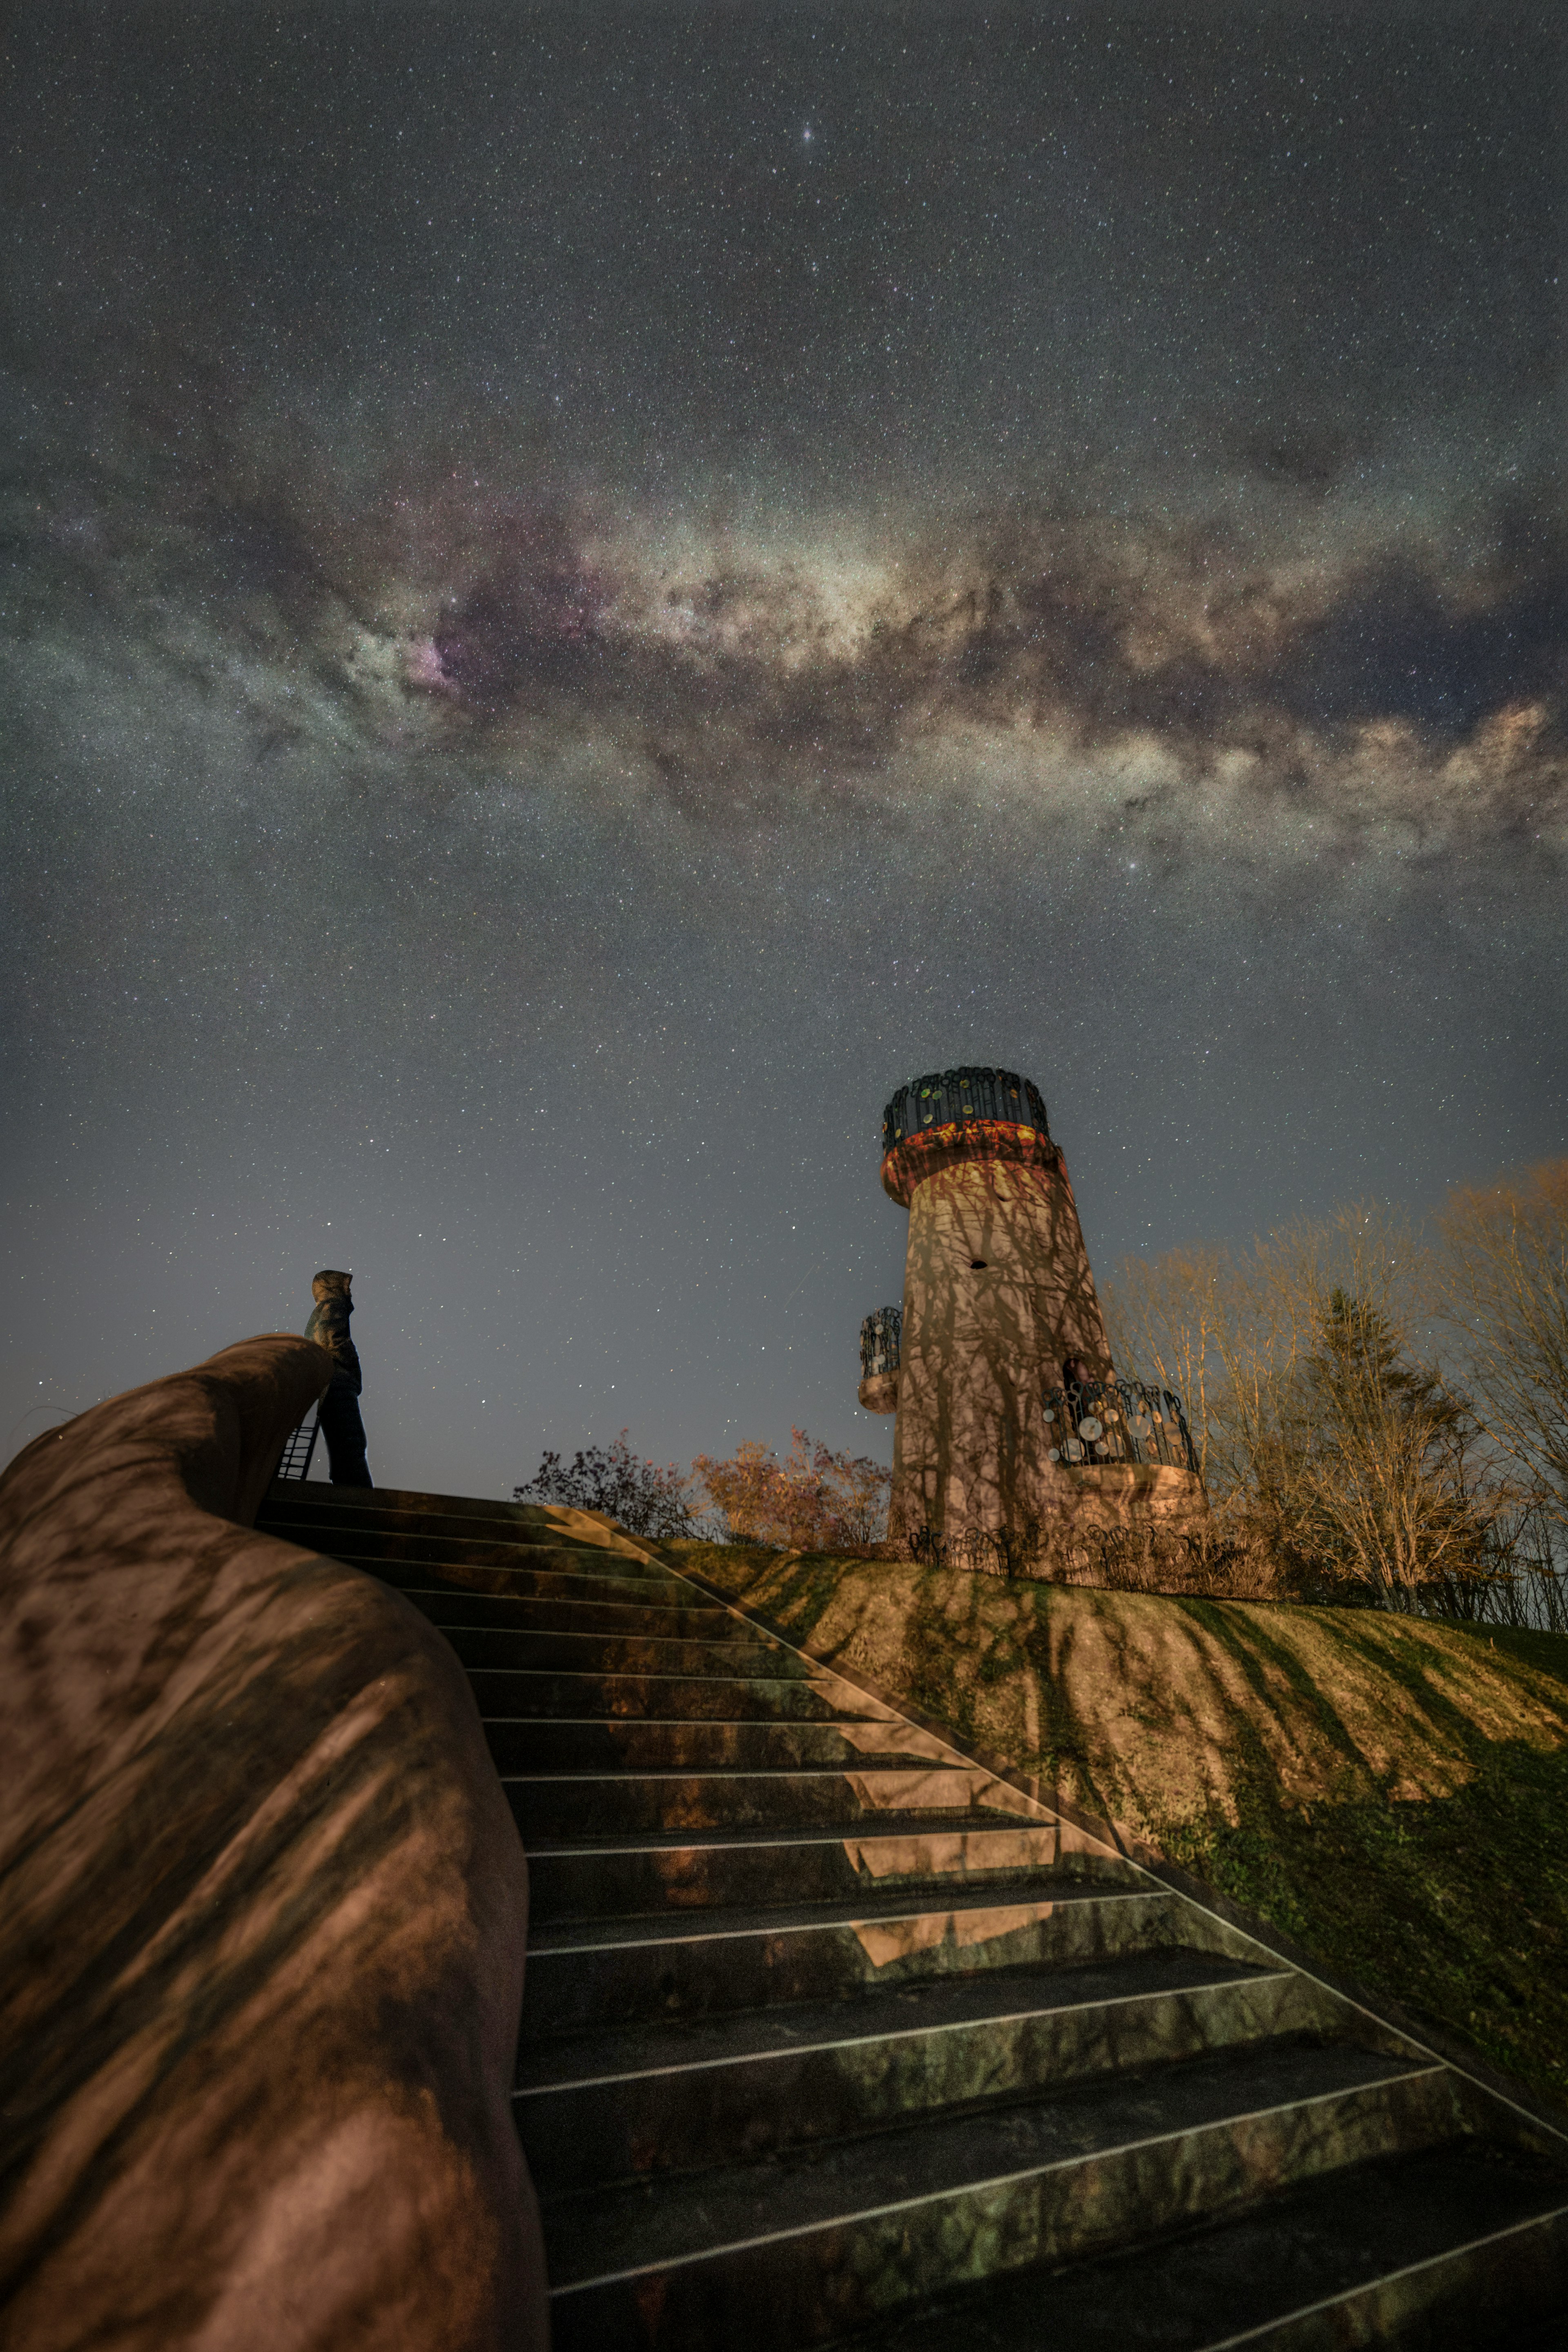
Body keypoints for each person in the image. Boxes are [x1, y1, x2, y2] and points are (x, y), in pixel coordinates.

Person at [304, 1269, 373, 1487]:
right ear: (334, 1287)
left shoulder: (324, 1309)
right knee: (351, 1443)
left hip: (334, 1382)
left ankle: (352, 1490)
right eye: (346, 1287)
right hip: (338, 1381)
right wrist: (346, 1359)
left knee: (346, 1444)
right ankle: (357, 1496)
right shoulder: (332, 1307)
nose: (349, 1293)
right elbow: (331, 1338)